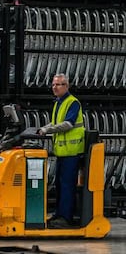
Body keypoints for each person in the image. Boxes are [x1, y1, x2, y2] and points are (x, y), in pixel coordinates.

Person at [38, 73, 85, 229]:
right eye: (53, 85)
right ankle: (59, 214)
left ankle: (66, 218)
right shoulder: (59, 103)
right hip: (62, 152)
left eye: (58, 84)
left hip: (71, 152)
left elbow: (68, 124)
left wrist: (48, 130)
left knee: (67, 186)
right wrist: (44, 128)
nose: (55, 87)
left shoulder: (73, 103)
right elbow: (55, 122)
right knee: (59, 184)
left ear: (67, 86)